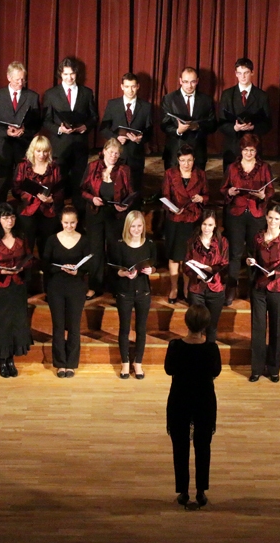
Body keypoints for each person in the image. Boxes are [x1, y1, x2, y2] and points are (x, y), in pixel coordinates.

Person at [165, 304, 222, 508]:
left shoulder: (175, 346)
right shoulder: (211, 348)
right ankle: (200, 491)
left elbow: (169, 369)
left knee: (180, 447)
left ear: (186, 322)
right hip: (204, 400)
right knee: (203, 446)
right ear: (206, 324)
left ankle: (183, 491)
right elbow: (215, 372)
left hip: (180, 398)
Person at [0, 203, 34, 378]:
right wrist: (2, 271)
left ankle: (11, 359)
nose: (9, 221)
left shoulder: (21, 236)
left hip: (17, 285)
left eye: (11, 217)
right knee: (1, 324)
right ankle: (1, 360)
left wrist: (21, 268)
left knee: (16, 322)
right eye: (5, 217)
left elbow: (29, 258)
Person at [220, 133, 274, 306]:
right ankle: (231, 288)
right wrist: (230, 192)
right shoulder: (233, 167)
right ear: (241, 150)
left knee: (254, 253)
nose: (249, 153)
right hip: (236, 213)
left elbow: (271, 190)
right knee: (235, 253)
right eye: (246, 150)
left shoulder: (264, 167)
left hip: (256, 213)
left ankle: (254, 289)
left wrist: (263, 195)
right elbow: (224, 188)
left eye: (252, 150)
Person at [42, 57, 98, 214]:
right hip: (60, 146)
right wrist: (59, 129)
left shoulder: (87, 93)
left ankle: (78, 217)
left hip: (80, 144)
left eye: (72, 74)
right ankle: (57, 216)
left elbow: (94, 117)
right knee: (59, 183)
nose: (69, 77)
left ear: (76, 74)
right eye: (66, 74)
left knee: (79, 182)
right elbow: (46, 121)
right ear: (60, 74)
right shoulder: (51, 94)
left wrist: (85, 126)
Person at [42, 206, 92, 378]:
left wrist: (78, 271)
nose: (69, 226)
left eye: (72, 223)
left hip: (76, 287)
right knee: (58, 326)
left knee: (74, 326)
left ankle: (71, 363)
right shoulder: (52, 240)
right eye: (66, 223)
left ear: (77, 222)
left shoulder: (84, 240)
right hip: (56, 286)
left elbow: (89, 264)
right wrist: (60, 268)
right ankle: (60, 363)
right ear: (61, 222)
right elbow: (45, 264)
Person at [246, 203, 280, 382]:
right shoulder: (258, 237)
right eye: (270, 217)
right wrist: (250, 261)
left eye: (276, 218)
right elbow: (251, 255)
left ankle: (273, 369)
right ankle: (256, 369)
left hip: (277, 288)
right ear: (266, 217)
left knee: (276, 330)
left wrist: (276, 273)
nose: (272, 221)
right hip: (259, 287)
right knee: (258, 329)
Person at [80, 138, 132, 298]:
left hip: (115, 214)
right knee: (95, 250)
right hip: (95, 212)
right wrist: (92, 199)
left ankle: (115, 286)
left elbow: (130, 193)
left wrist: (124, 205)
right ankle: (94, 286)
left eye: (116, 153)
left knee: (114, 250)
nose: (113, 156)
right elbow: (82, 190)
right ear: (104, 151)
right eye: (111, 152)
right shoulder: (93, 167)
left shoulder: (124, 170)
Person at [111, 210, 157, 379]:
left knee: (141, 329)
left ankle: (138, 363)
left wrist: (151, 269)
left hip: (143, 292)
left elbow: (154, 263)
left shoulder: (149, 244)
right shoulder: (120, 245)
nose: (136, 229)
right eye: (133, 226)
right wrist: (123, 273)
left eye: (139, 226)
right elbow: (114, 268)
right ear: (127, 227)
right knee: (124, 328)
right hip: (124, 292)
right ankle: (125, 363)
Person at [162, 144, 208, 303]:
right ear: (178, 160)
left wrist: (201, 199)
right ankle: (174, 288)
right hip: (175, 220)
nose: (186, 164)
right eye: (183, 160)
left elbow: (207, 196)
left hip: (193, 220)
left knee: (189, 257)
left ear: (194, 159)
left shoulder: (200, 174)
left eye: (189, 160)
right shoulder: (170, 174)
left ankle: (187, 289)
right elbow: (165, 197)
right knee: (175, 256)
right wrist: (172, 208)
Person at [0, 61, 41, 186]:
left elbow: (37, 123)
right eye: (17, 80)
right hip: (3, 146)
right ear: (8, 77)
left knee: (25, 181)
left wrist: (25, 130)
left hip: (24, 145)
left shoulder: (32, 97)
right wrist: (6, 132)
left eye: (23, 79)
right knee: (1, 182)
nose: (20, 83)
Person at [100, 72, 153, 196]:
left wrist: (140, 138)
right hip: (116, 155)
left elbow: (150, 131)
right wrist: (116, 137)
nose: (130, 90)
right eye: (127, 86)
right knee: (114, 188)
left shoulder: (146, 107)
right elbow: (103, 128)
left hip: (136, 156)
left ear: (138, 86)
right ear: (122, 87)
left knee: (135, 189)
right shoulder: (112, 104)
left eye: (133, 86)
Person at [12, 135, 63, 258]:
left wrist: (52, 198)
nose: (42, 155)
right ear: (32, 150)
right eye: (38, 151)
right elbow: (16, 189)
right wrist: (31, 195)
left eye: (45, 151)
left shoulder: (54, 167)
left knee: (46, 243)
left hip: (48, 210)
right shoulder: (23, 166)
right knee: (27, 242)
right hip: (28, 209)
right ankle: (28, 271)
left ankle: (45, 270)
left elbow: (60, 189)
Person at [218, 58, 272, 172]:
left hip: (253, 147)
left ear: (252, 73)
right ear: (236, 74)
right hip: (232, 146)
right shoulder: (227, 95)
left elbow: (267, 124)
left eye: (246, 73)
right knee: (231, 184)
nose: (243, 77)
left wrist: (253, 127)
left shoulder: (262, 96)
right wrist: (234, 128)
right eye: (240, 73)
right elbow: (221, 123)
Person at [184, 209, 229, 342]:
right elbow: (186, 265)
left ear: (215, 225)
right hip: (197, 288)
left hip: (216, 288)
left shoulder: (222, 242)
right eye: (204, 224)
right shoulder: (192, 241)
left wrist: (209, 269)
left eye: (210, 225)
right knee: (195, 328)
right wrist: (195, 275)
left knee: (211, 327)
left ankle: (209, 358)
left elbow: (225, 264)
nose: (207, 228)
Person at [161, 67, 216, 171]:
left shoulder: (206, 100)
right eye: (186, 82)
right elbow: (164, 125)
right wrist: (178, 131)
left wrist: (198, 126)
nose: (189, 86)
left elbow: (213, 124)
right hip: (175, 153)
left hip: (198, 154)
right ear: (180, 81)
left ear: (197, 81)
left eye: (192, 82)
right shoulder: (169, 99)